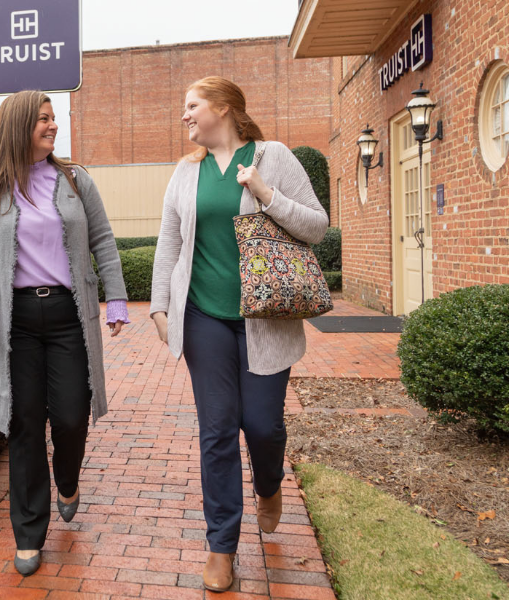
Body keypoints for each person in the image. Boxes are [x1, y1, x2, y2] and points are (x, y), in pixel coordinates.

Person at [150, 76, 328, 592]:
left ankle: (269, 486)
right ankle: (221, 547)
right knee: (218, 431)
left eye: (191, 106)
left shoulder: (273, 157)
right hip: (204, 319)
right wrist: (161, 307)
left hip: (265, 320)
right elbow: (169, 243)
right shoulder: (187, 173)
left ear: (223, 108)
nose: (184, 116)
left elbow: (317, 226)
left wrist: (266, 194)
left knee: (263, 426)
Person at [0, 90, 129, 577]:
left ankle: (68, 480)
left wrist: (115, 296)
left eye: (54, 118)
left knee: (73, 417)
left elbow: (103, 241)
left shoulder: (75, 181)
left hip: (67, 314)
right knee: (25, 426)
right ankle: (29, 533)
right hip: (14, 324)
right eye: (42, 120)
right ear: (16, 127)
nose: (52, 126)